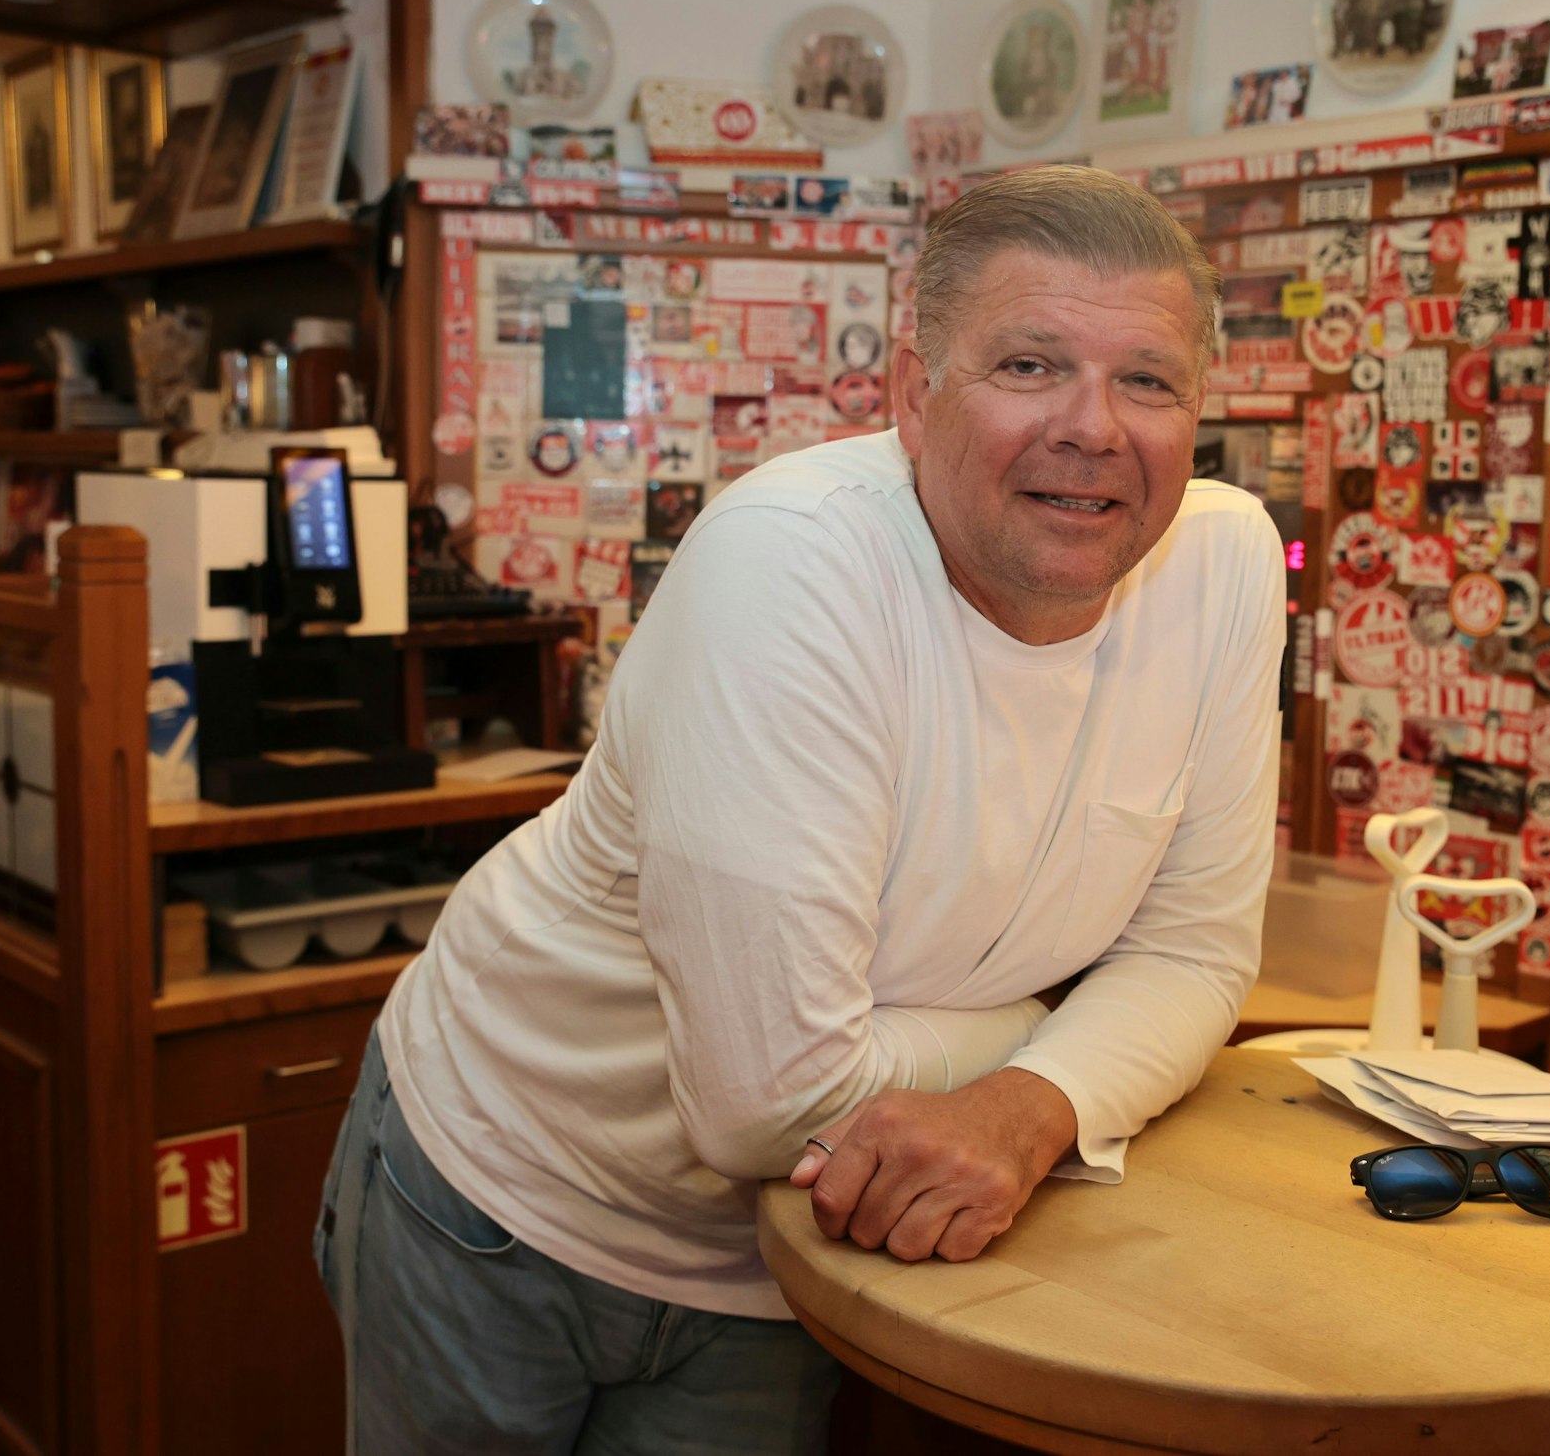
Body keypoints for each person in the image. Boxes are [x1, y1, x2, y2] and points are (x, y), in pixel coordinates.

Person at [315, 164, 1285, 1454]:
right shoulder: (794, 564)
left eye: (1149, 381)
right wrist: (1064, 1029)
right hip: (508, 1177)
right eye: (1030, 365)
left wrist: (1028, 1107)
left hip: (800, 1251)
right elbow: (767, 1101)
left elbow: (1196, 955)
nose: (1095, 429)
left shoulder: (1221, 568)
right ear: (910, 394)